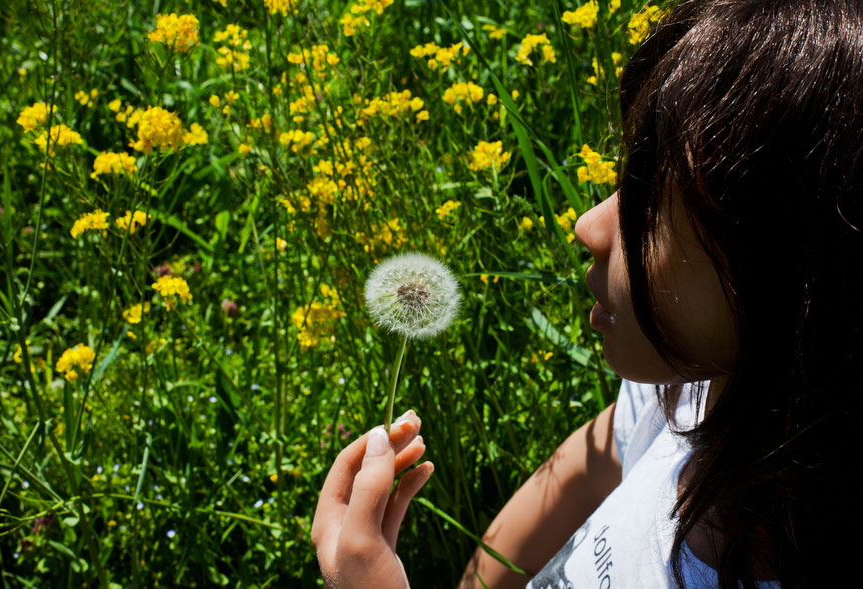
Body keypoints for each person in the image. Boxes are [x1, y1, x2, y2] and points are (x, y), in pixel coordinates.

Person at [311, 0, 863, 586]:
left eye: (650, 202)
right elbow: (587, 466)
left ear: (788, 283)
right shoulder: (691, 394)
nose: (588, 226)